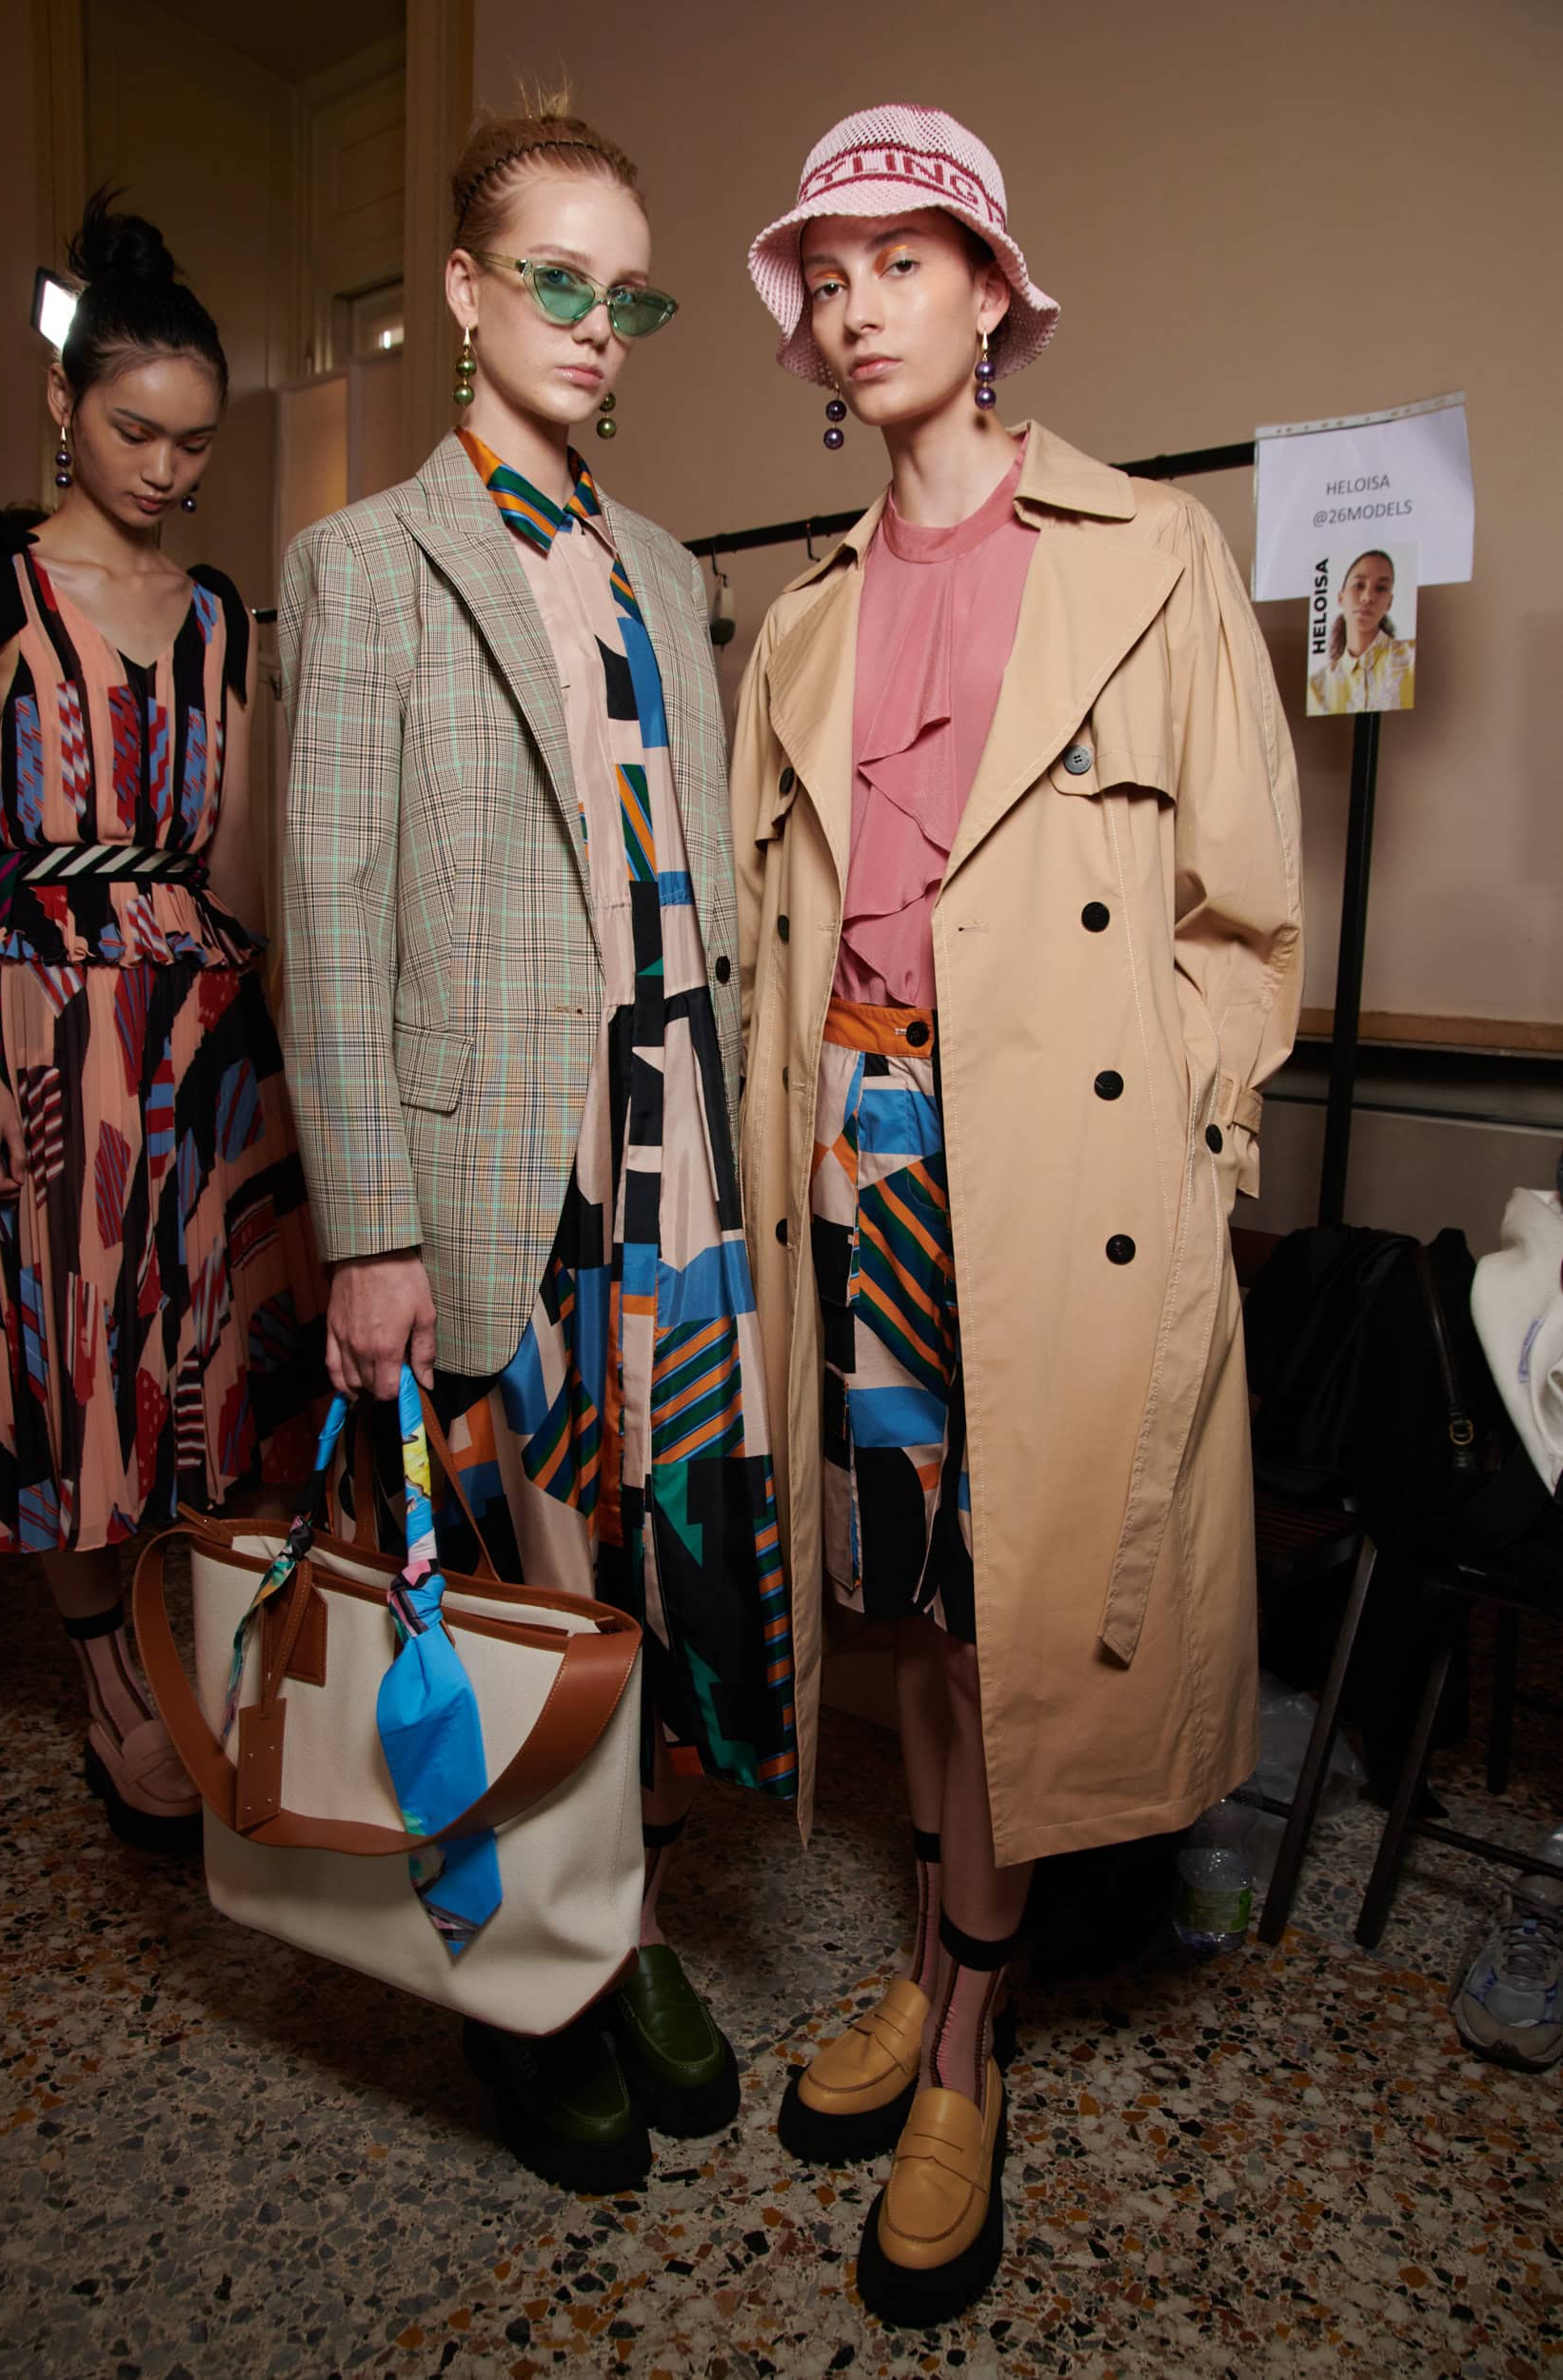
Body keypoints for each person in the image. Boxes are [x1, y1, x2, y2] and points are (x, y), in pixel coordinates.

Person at [733, 104, 1303, 2324]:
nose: (858, 301)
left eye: (904, 257)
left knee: (1006, 1605)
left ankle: (967, 2036)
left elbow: (1242, 918)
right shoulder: (799, 617)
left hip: (1059, 1166)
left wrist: (1182, 1137)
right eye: (829, 271)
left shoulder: (1149, 552)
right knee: (909, 1599)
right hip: (863, 1138)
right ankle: (934, 1957)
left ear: (989, 293)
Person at [278, 99, 794, 2196]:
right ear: (465, 291)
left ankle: (630, 1927)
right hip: (488, 1179)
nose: (593, 322)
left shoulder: (666, 572)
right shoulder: (362, 566)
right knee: (505, 1602)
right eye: (555, 279)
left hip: (676, 1170)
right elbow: (325, 917)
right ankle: (525, 1985)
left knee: (647, 1584)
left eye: (626, 293)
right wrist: (365, 1230)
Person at [0, 193, 325, 1851]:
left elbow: (238, 856)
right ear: (65, 403)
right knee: (73, 1373)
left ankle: (217, 1668)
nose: (167, 469)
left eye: (194, 442)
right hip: (40, 1028)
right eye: (136, 431)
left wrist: (282, 1061)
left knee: (212, 1368)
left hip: (203, 1035)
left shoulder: (219, 613)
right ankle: (110, 1686)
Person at [1308, 547, 1415, 712]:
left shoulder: (1413, 658)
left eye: (1380, 588)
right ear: (1341, 598)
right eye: (1359, 585)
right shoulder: (1316, 687)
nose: (1367, 597)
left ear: (1389, 602)